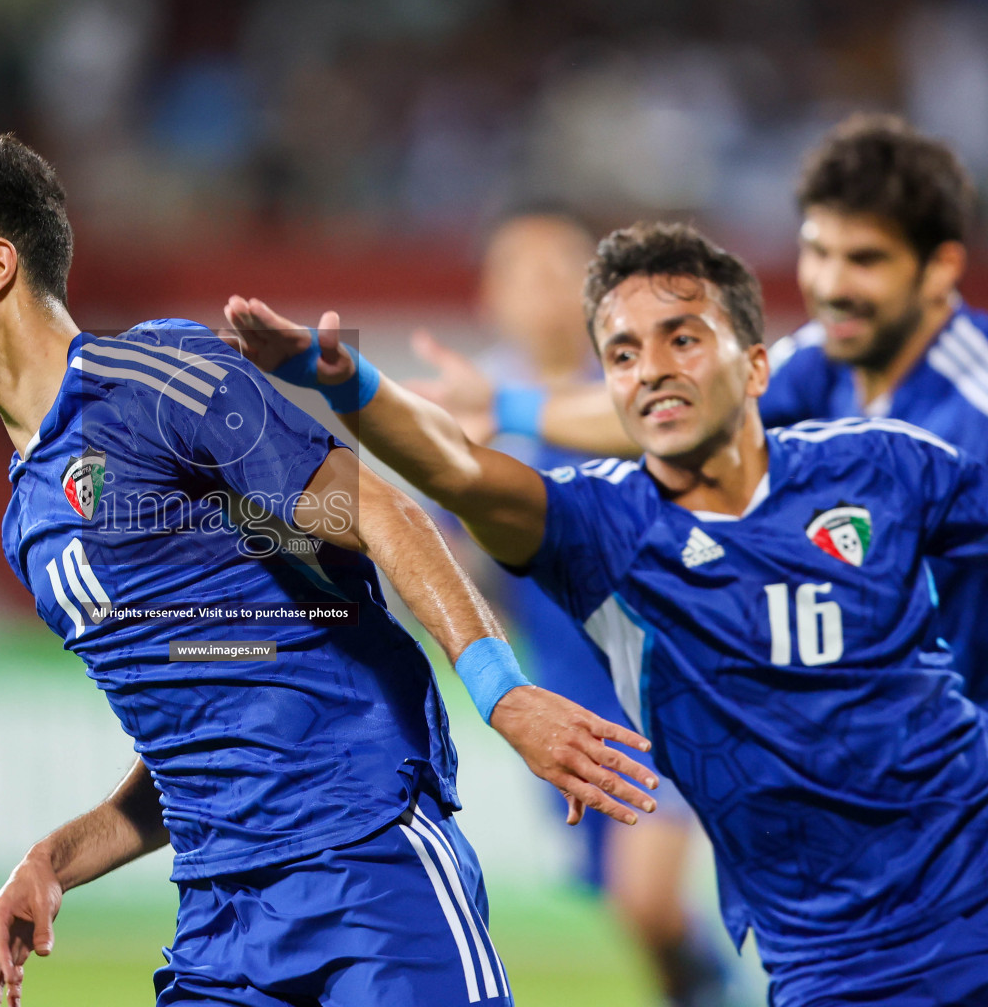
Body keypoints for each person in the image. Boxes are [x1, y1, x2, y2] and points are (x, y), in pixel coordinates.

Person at [0, 131, 657, 1007]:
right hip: (222, 924)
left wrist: (501, 692)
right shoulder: (31, 521)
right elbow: (196, 745)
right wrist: (52, 861)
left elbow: (376, 513)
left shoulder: (157, 380)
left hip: (363, 866)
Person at [218, 220, 988, 1006]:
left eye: (682, 340)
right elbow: (455, 471)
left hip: (976, 888)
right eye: (623, 354)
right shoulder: (600, 524)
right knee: (641, 908)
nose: (651, 370)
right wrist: (344, 384)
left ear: (758, 365)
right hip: (833, 962)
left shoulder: (885, 463)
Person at [422, 115, 988, 714]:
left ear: (942, 269)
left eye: (866, 260)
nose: (830, 284)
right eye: (818, 252)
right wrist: (506, 405)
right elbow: (670, 410)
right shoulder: (825, 357)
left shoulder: (972, 408)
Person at [420, 211, 731, 1007]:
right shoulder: (477, 412)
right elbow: (455, 558)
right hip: (562, 690)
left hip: (664, 681)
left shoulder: (634, 388)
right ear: (493, 296)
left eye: (561, 271)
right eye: (523, 274)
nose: (545, 293)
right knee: (633, 913)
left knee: (647, 897)